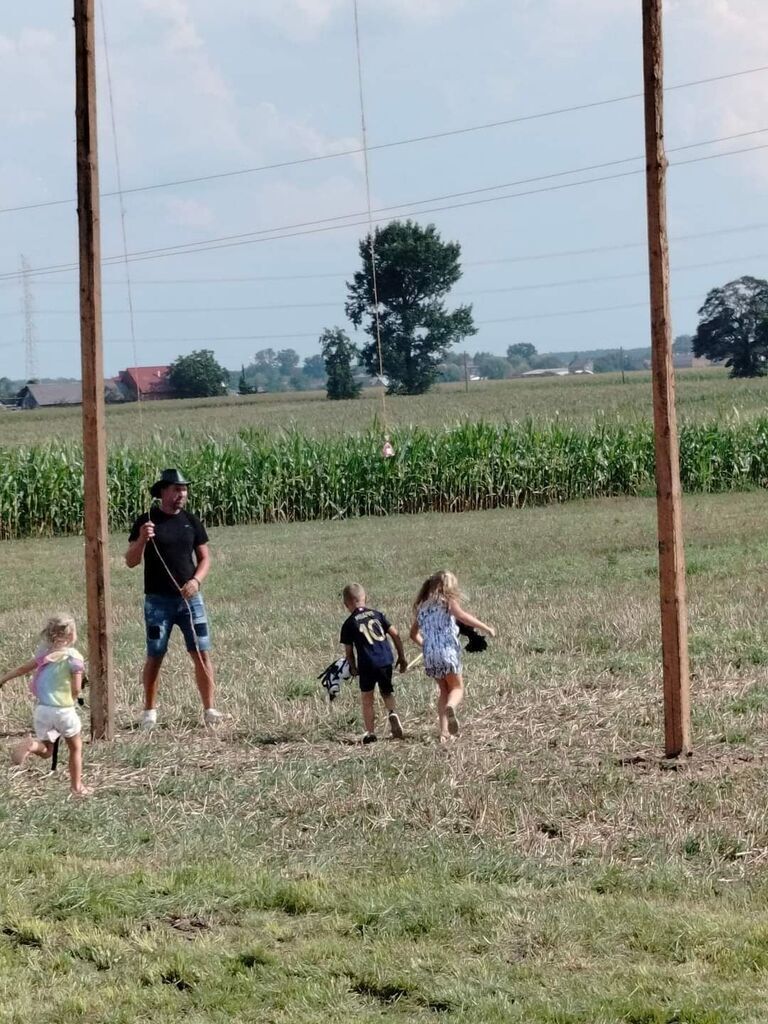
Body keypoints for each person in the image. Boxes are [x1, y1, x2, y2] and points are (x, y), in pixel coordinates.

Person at [125, 468, 222, 730]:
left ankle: (210, 708)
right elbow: (130, 561)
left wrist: (196, 581)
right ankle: (149, 712)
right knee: (155, 654)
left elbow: (205, 558)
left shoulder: (191, 521)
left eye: (184, 489)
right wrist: (142, 540)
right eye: (177, 489)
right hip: (157, 602)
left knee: (201, 651)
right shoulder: (146, 521)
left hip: (191, 600)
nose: (182, 494)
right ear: (163, 492)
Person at [0, 614, 90, 796]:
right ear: (72, 635)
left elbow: (22, 669)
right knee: (75, 748)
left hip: (43, 710)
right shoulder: (74, 658)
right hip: (64, 711)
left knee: (47, 750)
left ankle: (32, 745)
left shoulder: (44, 656)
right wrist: (74, 696)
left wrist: (3, 679)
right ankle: (77, 787)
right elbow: (77, 688)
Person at [410, 571, 495, 743]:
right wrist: (486, 627)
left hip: (430, 655)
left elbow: (413, 634)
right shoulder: (447, 602)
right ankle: (451, 707)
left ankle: (444, 733)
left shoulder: (422, 608)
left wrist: (427, 646)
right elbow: (462, 616)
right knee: (457, 688)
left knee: (443, 690)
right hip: (447, 651)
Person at [340, 583, 408, 744]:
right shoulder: (377, 614)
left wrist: (353, 667)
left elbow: (349, 653)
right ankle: (392, 712)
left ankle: (370, 733)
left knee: (367, 699)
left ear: (346, 604)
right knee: (387, 691)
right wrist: (401, 655)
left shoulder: (349, 623)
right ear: (365, 598)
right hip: (385, 660)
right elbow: (395, 634)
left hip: (367, 663)